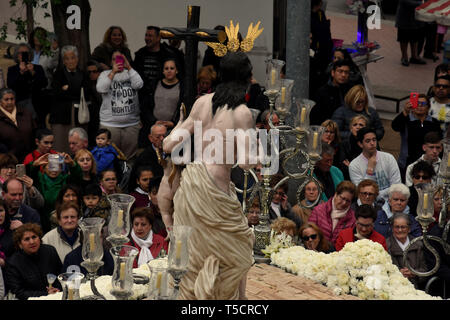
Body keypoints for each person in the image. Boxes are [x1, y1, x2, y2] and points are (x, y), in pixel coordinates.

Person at [161, 51, 256, 300]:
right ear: (247, 79)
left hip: (191, 182)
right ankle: (235, 300)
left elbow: (169, 145)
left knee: (194, 252)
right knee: (240, 245)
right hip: (215, 189)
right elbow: (246, 163)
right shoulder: (242, 112)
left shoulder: (202, 102)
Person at [134, 26, 179, 146]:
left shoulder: (169, 54)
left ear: (159, 38)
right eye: (146, 35)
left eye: (150, 35)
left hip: (172, 126)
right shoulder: (140, 54)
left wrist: (173, 122)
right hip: (147, 109)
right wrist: (152, 120)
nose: (147, 38)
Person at [97, 50, 143, 161]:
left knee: (130, 158)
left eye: (120, 58)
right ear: (110, 61)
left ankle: (128, 177)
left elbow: (139, 84)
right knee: (109, 157)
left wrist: (129, 67)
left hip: (131, 124)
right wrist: (113, 72)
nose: (117, 61)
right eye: (114, 59)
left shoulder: (131, 73)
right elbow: (101, 88)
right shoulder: (105, 74)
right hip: (110, 124)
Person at [27, 152, 82, 233]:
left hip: (64, 219)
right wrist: (35, 164)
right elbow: (30, 173)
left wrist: (72, 163)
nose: (54, 170)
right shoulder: (39, 179)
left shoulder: (66, 179)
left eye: (57, 166)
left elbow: (78, 177)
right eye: (50, 166)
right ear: (44, 168)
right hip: (43, 221)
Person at [49, 46, 90, 153]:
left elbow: (86, 92)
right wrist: (75, 90)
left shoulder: (83, 74)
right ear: (63, 61)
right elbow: (57, 93)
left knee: (78, 146)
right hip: (61, 115)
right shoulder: (58, 74)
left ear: (77, 58)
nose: (70, 61)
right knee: (61, 145)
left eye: (72, 57)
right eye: (67, 59)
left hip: (79, 115)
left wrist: (68, 89)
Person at [5, 223, 62, 300]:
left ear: (39, 238)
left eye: (34, 237)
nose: (32, 242)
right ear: (20, 244)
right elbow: (18, 292)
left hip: (57, 295)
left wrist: (56, 289)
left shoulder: (50, 251)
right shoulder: (13, 263)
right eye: (27, 239)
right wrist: (46, 294)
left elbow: (60, 275)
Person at [349, 127, 401, 202]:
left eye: (374, 140)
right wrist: (370, 170)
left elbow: (397, 186)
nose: (372, 143)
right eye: (368, 141)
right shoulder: (354, 165)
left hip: (391, 202)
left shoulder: (389, 158)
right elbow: (363, 193)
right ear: (360, 144)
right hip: (368, 205)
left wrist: (376, 195)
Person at [392, 94, 441, 167]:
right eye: (417, 103)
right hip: (407, 161)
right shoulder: (406, 119)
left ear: (428, 107)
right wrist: (405, 112)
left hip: (429, 161)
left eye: (423, 104)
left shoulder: (434, 122)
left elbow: (439, 141)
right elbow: (395, 126)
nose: (420, 106)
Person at [6, 43, 48, 121]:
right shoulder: (12, 69)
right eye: (20, 53)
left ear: (30, 55)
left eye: (26, 53)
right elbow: (11, 86)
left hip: (38, 106)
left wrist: (33, 72)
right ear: (16, 55)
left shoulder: (38, 68)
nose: (23, 55)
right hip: (20, 107)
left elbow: (44, 83)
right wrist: (21, 73)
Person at [308, 180, 357, 246]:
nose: (344, 203)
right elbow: (309, 233)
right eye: (342, 198)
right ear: (336, 194)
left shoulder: (353, 218)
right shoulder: (318, 210)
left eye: (348, 201)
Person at [386, 213, 427, 289]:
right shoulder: (387, 245)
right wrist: (398, 273)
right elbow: (384, 271)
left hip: (416, 287)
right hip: (393, 287)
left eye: (403, 227)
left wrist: (414, 273)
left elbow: (424, 269)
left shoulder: (418, 244)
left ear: (409, 229)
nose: (400, 230)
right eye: (397, 227)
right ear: (392, 228)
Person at [310, 59, 352, 126]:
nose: (343, 75)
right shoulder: (323, 92)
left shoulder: (350, 91)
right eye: (340, 71)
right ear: (333, 73)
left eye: (346, 72)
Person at [0, 88, 36, 162]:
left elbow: (34, 133)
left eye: (12, 99)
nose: (10, 102)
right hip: (7, 161)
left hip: (28, 157)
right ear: (0, 101)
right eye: (6, 99)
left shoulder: (25, 113)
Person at [129, 124, 166, 192]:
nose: (162, 139)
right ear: (150, 138)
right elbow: (132, 182)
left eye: (165, 136)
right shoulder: (143, 157)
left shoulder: (175, 153)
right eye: (158, 136)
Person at [153, 58, 184, 127]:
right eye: (166, 69)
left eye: (172, 68)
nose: (169, 71)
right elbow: (148, 105)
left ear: (177, 71)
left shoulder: (182, 87)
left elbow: (184, 108)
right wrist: (153, 121)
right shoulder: (155, 84)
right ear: (163, 71)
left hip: (174, 126)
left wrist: (174, 122)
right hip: (155, 125)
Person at [395, 0, 426, 66]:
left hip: (415, 18)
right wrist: (421, 3)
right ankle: (404, 57)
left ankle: (414, 57)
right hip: (404, 18)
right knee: (403, 39)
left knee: (415, 38)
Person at [86, 60, 104, 147]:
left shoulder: (104, 84)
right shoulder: (86, 85)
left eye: (94, 71)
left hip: (101, 117)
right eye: (89, 72)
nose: (91, 74)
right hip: (89, 118)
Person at [0, 199, 14, 268]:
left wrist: (4, 262)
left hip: (8, 273)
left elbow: (19, 259)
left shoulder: (12, 232)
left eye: (1, 211)